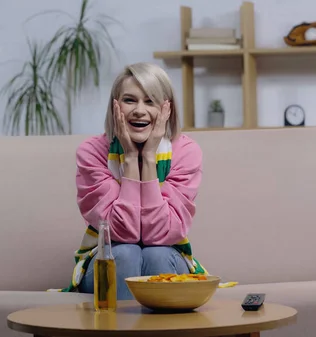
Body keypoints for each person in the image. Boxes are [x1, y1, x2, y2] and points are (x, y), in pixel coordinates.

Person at [54, 62, 206, 300]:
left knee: (157, 254)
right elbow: (121, 232)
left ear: (167, 109)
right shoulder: (92, 152)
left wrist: (148, 159)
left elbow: (160, 234)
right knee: (125, 253)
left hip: (167, 256)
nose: (139, 110)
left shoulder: (186, 152)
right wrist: (131, 157)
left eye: (150, 101)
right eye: (129, 100)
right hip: (108, 258)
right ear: (115, 106)